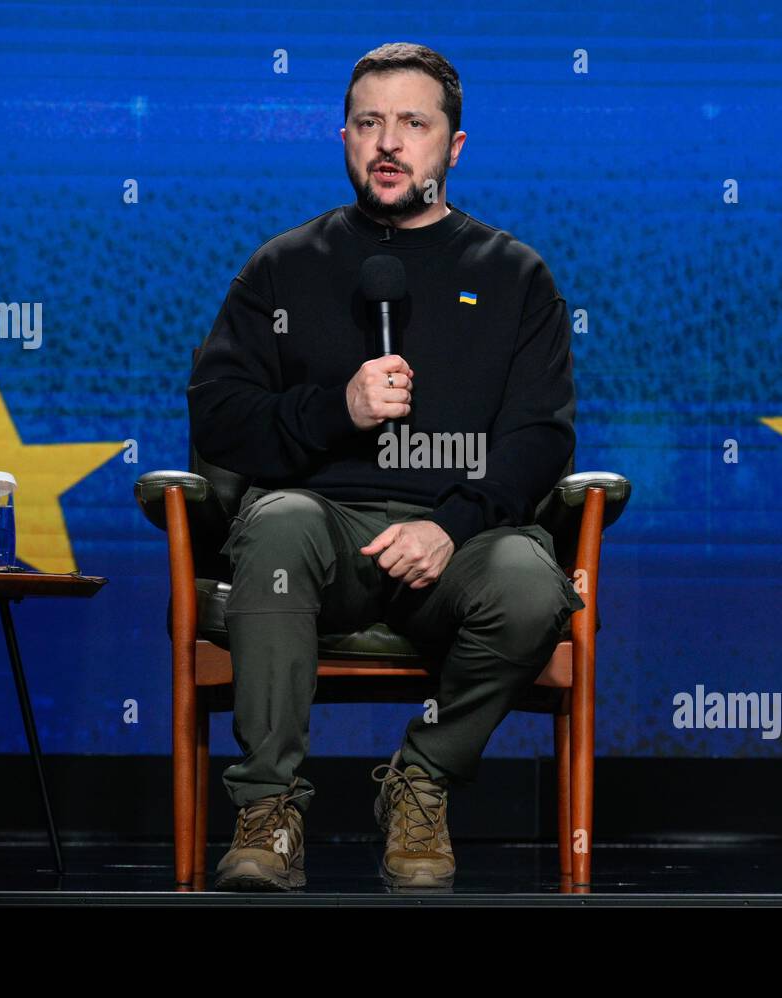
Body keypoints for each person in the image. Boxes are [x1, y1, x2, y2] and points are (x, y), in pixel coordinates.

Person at [187, 41, 585, 891]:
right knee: (281, 523)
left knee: (528, 580)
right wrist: (340, 408)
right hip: (319, 540)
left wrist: (451, 526)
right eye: (370, 123)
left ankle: (423, 779)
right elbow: (216, 416)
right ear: (343, 138)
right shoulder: (283, 266)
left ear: (454, 146)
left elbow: (541, 437)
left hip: (455, 545)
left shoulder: (516, 277)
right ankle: (269, 812)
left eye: (414, 123)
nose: (390, 143)